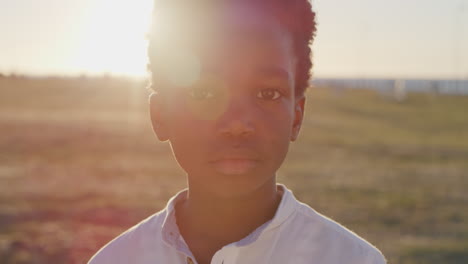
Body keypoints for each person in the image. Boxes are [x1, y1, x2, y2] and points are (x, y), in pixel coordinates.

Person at [88, 0, 386, 263]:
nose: (237, 123)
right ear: (161, 115)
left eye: (267, 93)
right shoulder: (115, 259)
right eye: (203, 93)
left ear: (297, 117)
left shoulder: (351, 259)